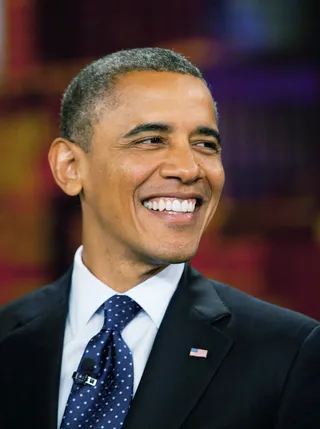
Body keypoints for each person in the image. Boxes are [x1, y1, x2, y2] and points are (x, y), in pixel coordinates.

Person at [0, 48, 319, 429]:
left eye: (205, 144)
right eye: (151, 139)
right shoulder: (8, 338)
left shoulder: (288, 352)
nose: (188, 168)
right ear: (70, 168)